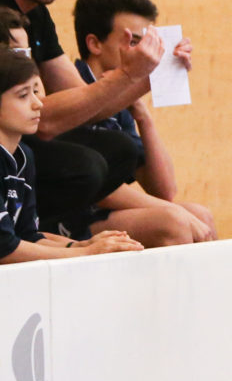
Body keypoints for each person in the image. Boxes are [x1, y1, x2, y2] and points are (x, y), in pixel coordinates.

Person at [0, 0, 174, 232]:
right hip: (10, 149)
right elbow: (43, 120)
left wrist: (150, 75)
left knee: (119, 148)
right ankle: (47, 231)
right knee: (86, 165)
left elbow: (88, 101)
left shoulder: (38, 14)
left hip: (26, 147)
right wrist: (127, 74)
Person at [65, 0, 216, 246]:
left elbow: (164, 190)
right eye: (134, 41)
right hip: (67, 215)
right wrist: (174, 212)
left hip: (103, 212)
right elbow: (97, 188)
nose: (145, 53)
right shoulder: (71, 88)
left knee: (201, 215)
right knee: (174, 223)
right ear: (95, 43)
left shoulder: (121, 100)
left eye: (148, 43)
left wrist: (141, 112)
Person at [0, 48, 143, 262]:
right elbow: (5, 249)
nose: (38, 103)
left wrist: (81, 244)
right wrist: (83, 253)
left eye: (36, 91)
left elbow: (28, 235)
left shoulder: (23, 156)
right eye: (23, 95)